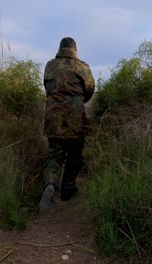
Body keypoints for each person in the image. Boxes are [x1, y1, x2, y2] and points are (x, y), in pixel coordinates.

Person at [38, 37, 95, 214]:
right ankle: (68, 190)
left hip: (54, 118)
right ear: (75, 50)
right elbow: (89, 90)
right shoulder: (82, 67)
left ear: (60, 49)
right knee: (75, 154)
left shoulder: (50, 65)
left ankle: (50, 185)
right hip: (75, 118)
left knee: (54, 155)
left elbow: (47, 87)